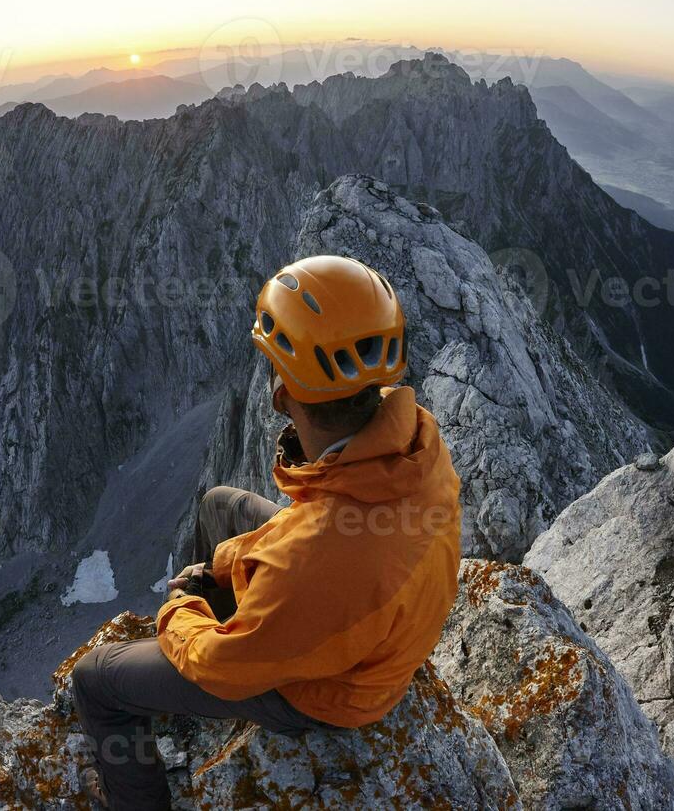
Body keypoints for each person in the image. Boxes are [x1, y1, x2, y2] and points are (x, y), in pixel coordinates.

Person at [69, 254, 463, 809]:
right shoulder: (418, 441)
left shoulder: (316, 555)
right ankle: (224, 610)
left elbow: (223, 660)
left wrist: (182, 608)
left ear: (283, 393)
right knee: (218, 505)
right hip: (369, 609)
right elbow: (307, 536)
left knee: (95, 680)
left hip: (331, 692)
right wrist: (220, 569)